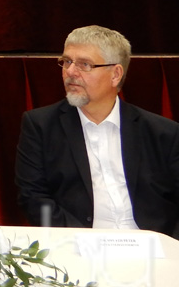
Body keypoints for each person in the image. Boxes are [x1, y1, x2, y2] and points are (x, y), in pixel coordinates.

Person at [15, 25, 179, 238]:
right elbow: (33, 198)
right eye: (67, 62)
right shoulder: (41, 126)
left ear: (115, 74)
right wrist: (83, 241)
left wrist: (170, 246)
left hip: (152, 244)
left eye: (84, 64)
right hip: (78, 245)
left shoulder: (163, 132)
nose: (70, 72)